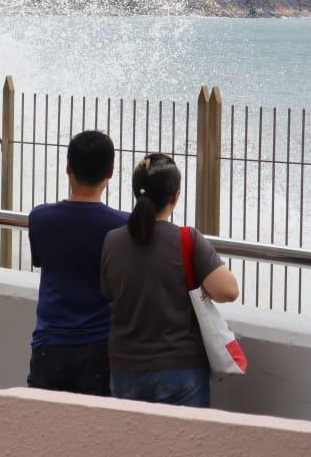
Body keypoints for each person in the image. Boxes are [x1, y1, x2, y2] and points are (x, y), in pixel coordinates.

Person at [100, 153, 240, 408]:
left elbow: (109, 292)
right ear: (175, 196)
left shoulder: (112, 242)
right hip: (181, 370)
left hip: (125, 369)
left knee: (132, 448)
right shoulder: (187, 240)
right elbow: (229, 291)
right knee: (185, 447)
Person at [26, 131, 126, 397]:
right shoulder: (122, 226)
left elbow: (39, 260)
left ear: (68, 167)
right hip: (99, 347)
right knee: (95, 433)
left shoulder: (40, 218)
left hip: (50, 343)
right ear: (111, 173)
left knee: (45, 431)